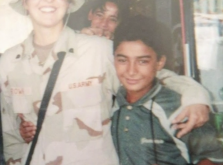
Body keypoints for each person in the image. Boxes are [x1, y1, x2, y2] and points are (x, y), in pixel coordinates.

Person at [0, 0, 211, 165]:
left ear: (69, 3)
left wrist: (196, 96)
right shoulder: (7, 63)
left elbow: (151, 75)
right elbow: (10, 135)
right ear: (25, 3)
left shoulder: (99, 50)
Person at [111, 15, 223, 165]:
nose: (131, 71)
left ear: (159, 63)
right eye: (123, 60)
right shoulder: (110, 102)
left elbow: (211, 158)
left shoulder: (179, 108)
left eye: (142, 61)